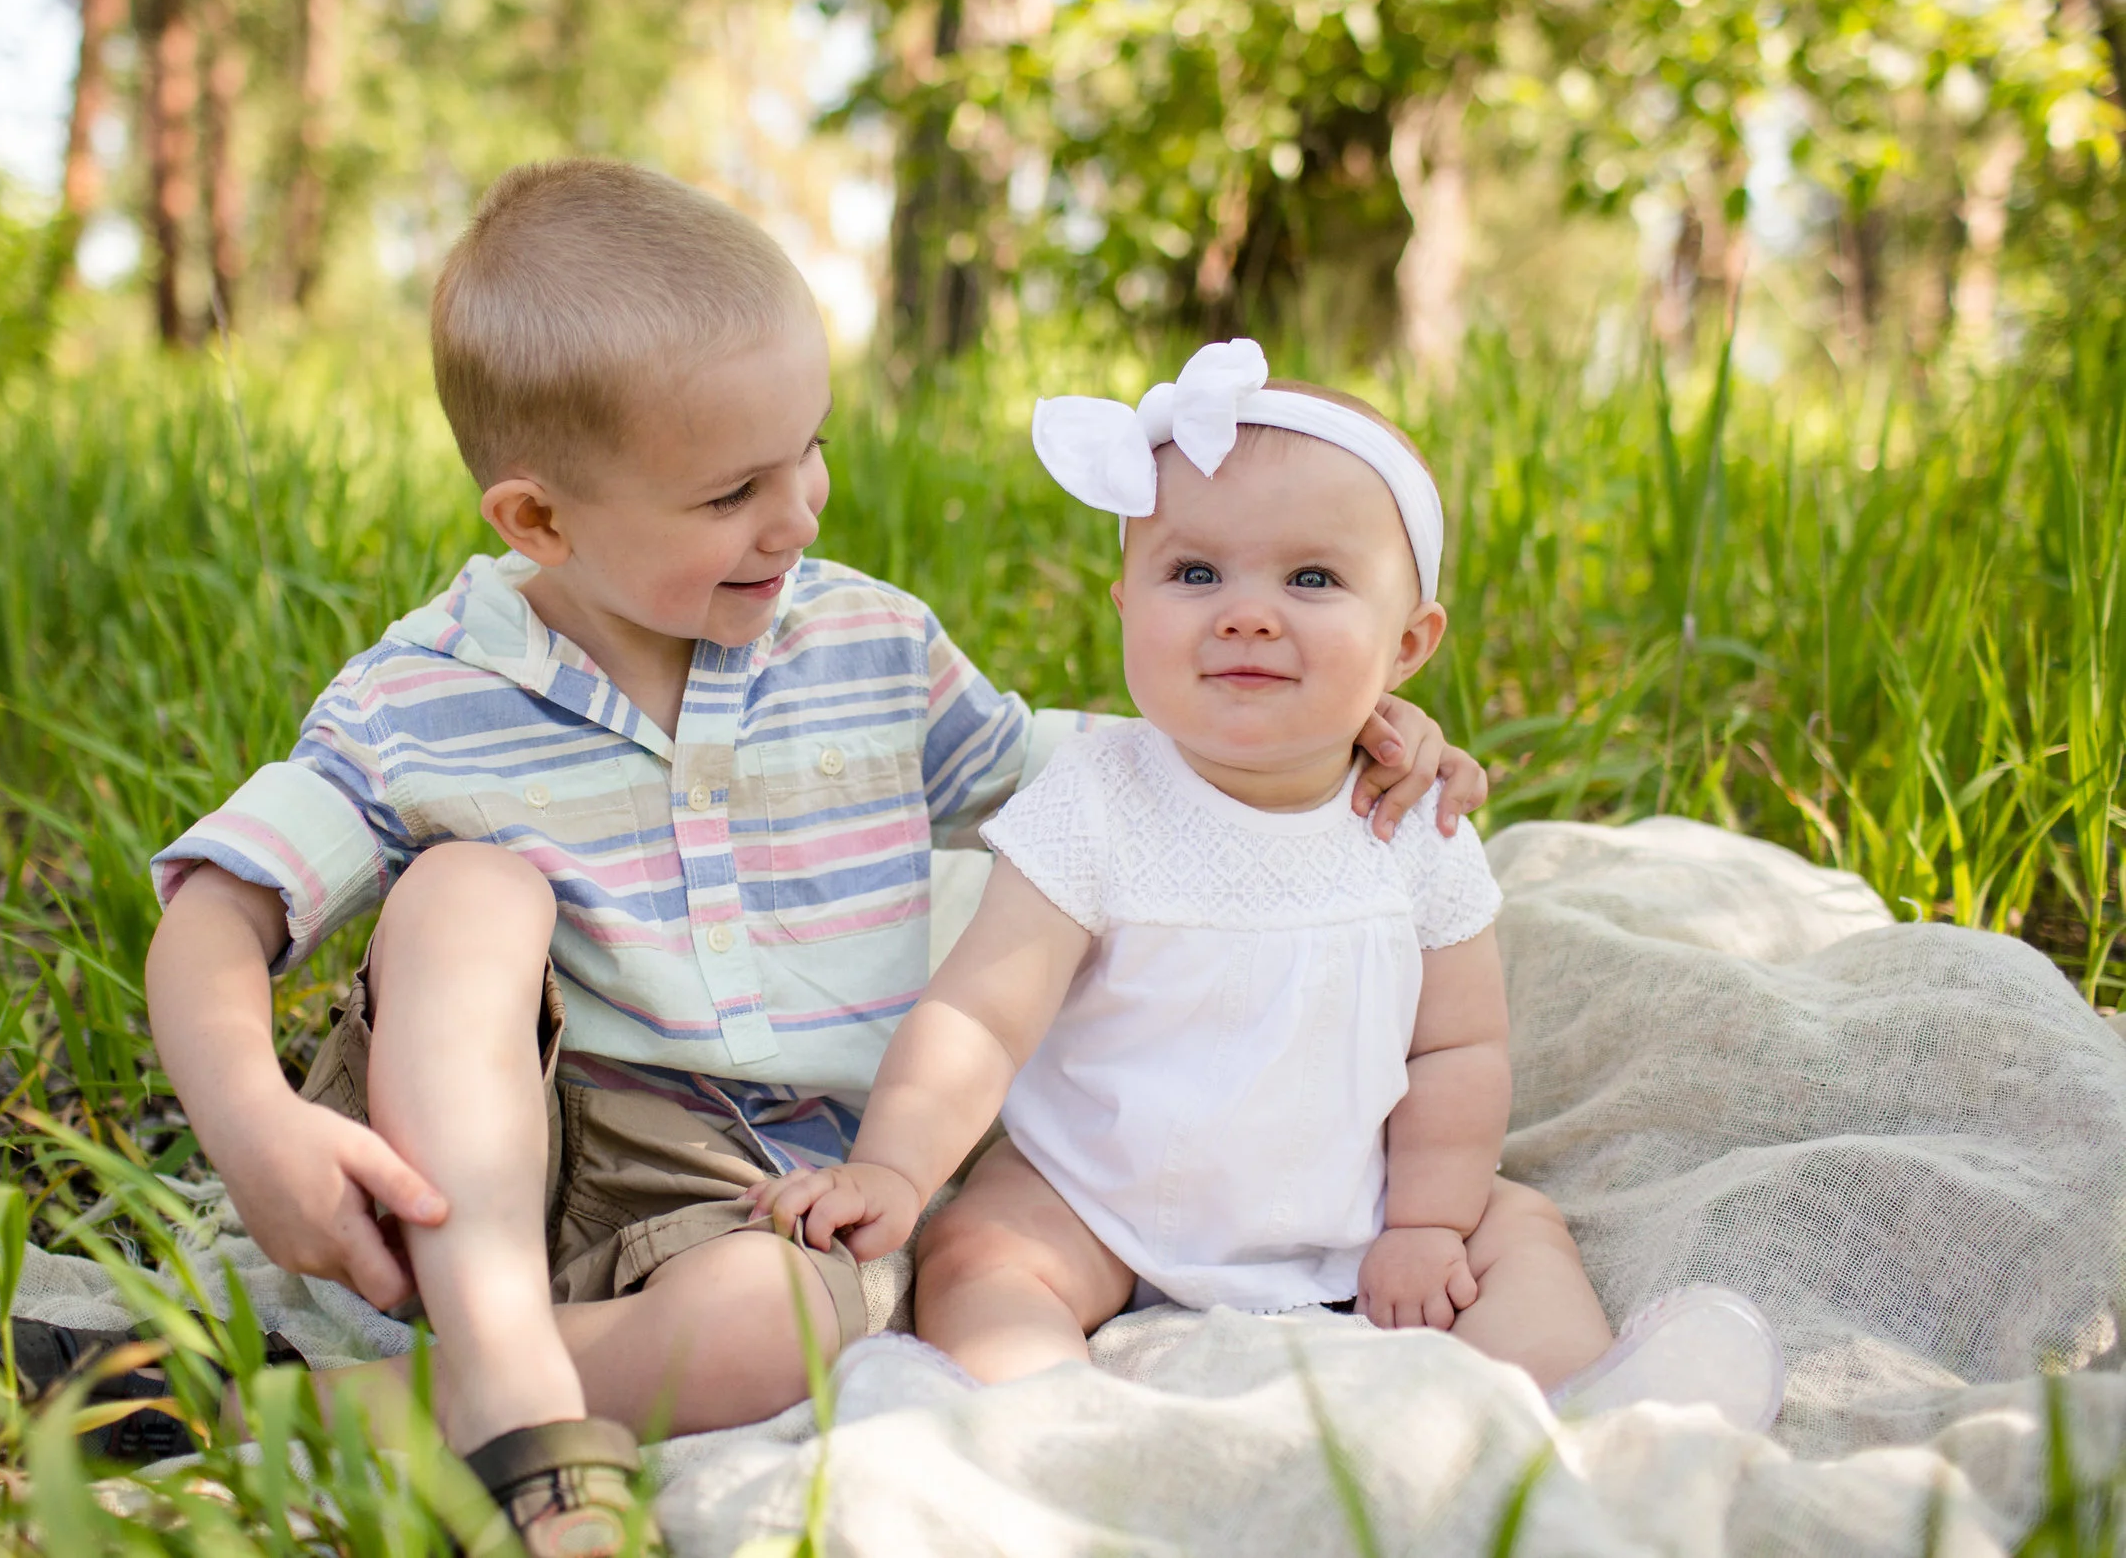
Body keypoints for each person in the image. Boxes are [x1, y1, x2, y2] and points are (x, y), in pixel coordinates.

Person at [83, 168, 1486, 1556]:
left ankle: (326, 1405)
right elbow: (224, 902)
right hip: (499, 1144)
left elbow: (1106, 767)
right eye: (730, 492)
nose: (798, 513)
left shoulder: (868, 644)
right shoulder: (427, 691)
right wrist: (250, 1122)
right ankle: (508, 1371)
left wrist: (1335, 727)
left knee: (794, 1320)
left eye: (806, 452)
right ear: (540, 521)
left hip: (763, 1192)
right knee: (469, 886)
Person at [751, 342, 1787, 1429]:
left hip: (1358, 1199)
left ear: (1407, 643)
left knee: (1515, 1224)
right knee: (979, 1246)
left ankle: (1598, 1411)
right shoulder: (1093, 798)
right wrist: (895, 1170)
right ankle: (1049, 1426)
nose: (1245, 612)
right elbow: (979, 1014)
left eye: (1311, 578)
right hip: (1101, 1194)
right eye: (1194, 573)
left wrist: (1427, 1222)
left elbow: (1457, 1047)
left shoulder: (1414, 819)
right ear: (1123, 604)